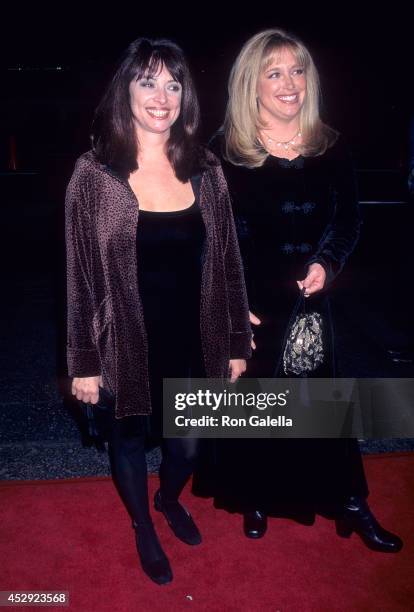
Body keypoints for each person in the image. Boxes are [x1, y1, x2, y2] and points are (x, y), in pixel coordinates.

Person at [193, 28, 402, 552]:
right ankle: (255, 494)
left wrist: (327, 264)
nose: (290, 83)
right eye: (275, 72)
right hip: (253, 303)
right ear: (252, 84)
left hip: (311, 300)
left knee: (323, 405)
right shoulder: (222, 154)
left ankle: (350, 502)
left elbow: (349, 220)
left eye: (298, 70)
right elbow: (208, 237)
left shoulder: (330, 145)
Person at [65, 37, 251, 585]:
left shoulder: (207, 168)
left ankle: (170, 498)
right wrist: (83, 362)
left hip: (193, 338)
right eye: (148, 81)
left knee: (188, 447)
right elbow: (77, 274)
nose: (162, 96)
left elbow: (229, 261)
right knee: (126, 443)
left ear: (185, 97)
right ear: (125, 89)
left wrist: (237, 342)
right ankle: (143, 524)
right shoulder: (93, 174)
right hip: (123, 342)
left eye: (174, 84)